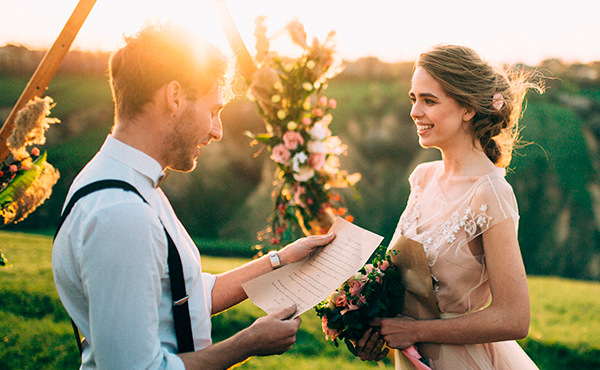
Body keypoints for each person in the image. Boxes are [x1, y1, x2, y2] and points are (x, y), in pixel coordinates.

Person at [52, 22, 335, 369]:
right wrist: (247, 343)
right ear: (175, 97)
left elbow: (182, 296)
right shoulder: (122, 213)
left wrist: (280, 261)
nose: (217, 130)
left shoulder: (128, 184)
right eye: (214, 110)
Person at [354, 45, 542, 370]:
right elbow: (400, 277)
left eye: (429, 100)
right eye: (413, 99)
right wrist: (371, 328)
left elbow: (514, 318)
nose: (414, 111)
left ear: (467, 108)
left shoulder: (491, 193)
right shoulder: (422, 177)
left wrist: (416, 331)